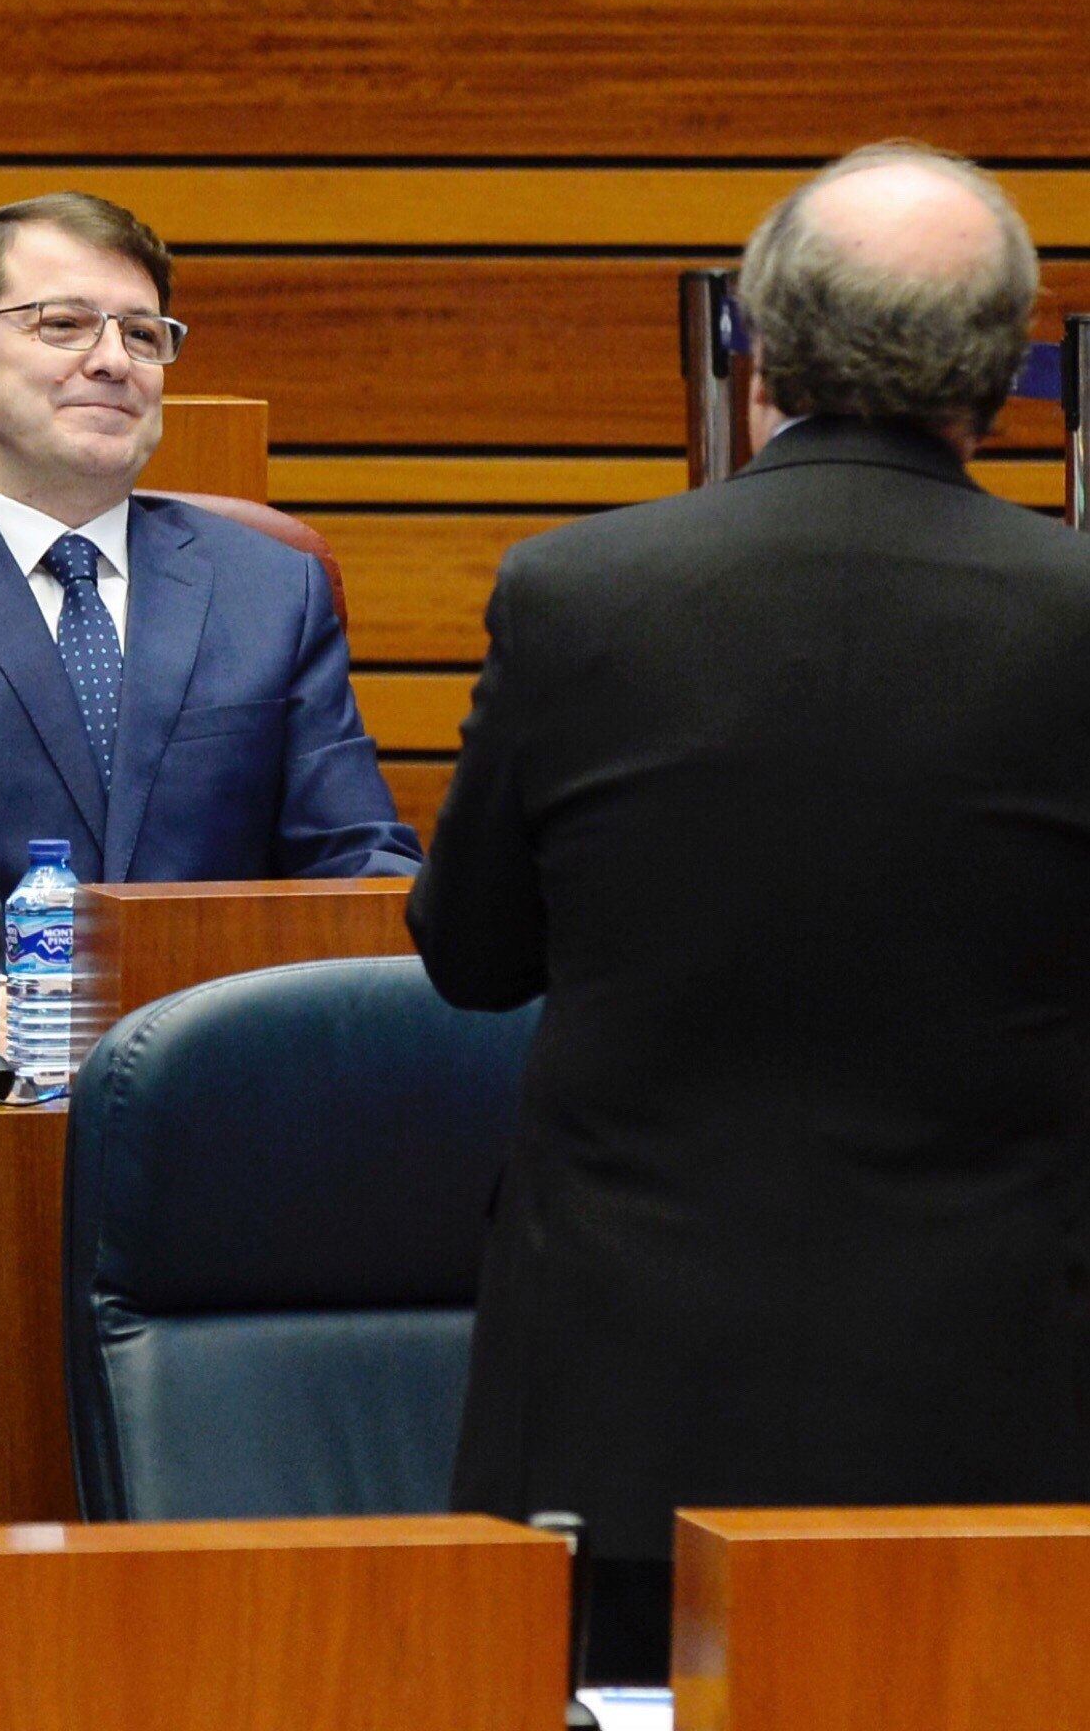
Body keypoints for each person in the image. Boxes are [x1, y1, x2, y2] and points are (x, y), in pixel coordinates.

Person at [408, 142, 1090, 1685]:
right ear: (1002, 369)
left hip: (620, 1414)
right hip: (999, 1421)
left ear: (757, 345)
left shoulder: (577, 592)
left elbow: (470, 956)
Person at [0, 190, 421, 895]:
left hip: (212, 1000)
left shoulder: (270, 590)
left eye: (143, 335)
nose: (114, 361)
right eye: (64, 324)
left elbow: (357, 863)